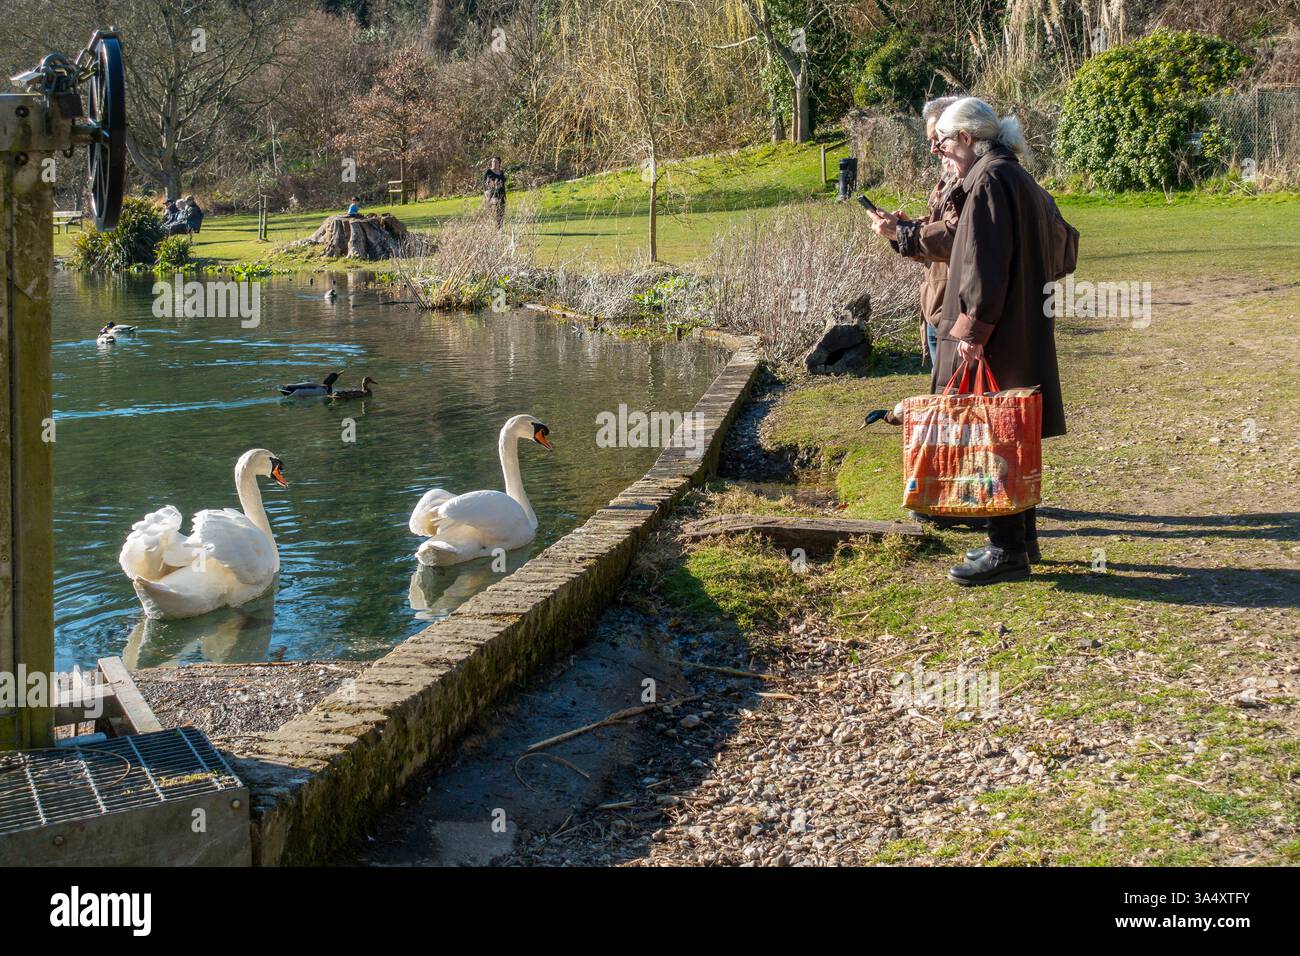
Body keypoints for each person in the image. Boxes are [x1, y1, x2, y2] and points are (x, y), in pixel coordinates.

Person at [929, 96, 1067, 586]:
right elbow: (1063, 244)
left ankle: (1005, 550)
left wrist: (972, 331)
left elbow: (984, 270)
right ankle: (1022, 538)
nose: (939, 150)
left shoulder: (987, 180)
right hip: (1022, 325)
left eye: (943, 141)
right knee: (1014, 430)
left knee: (994, 434)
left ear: (967, 138)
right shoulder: (1015, 174)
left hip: (999, 333)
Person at [868, 95, 961, 368]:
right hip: (935, 310)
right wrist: (902, 230)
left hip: (954, 318)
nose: (933, 148)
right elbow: (938, 231)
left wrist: (904, 232)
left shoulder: (974, 180)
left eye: (938, 139)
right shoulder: (948, 177)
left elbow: (955, 238)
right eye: (930, 140)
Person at [482, 156, 506, 228]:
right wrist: (486, 192)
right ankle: (487, 228)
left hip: (501, 195)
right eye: (493, 161)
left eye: (496, 162)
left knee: (501, 213)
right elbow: (484, 183)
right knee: (490, 213)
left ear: (499, 163)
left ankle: (500, 228)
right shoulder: (488, 171)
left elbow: (503, 183)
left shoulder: (501, 172)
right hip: (492, 196)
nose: (494, 163)